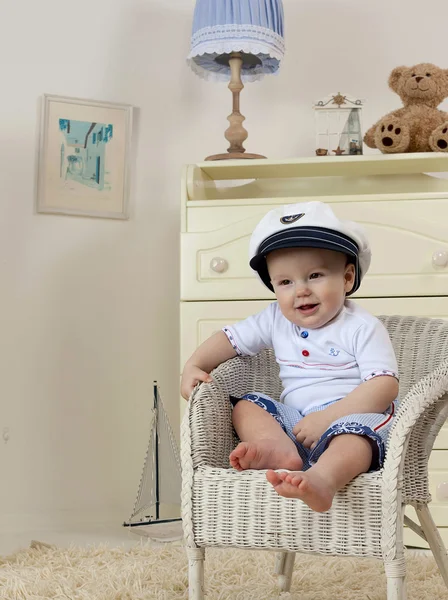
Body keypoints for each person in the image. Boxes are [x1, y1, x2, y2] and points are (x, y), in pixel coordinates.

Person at [180, 201, 399, 513]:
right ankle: (279, 451)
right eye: (285, 282)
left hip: (351, 415)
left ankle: (323, 480)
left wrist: (329, 418)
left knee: (355, 439)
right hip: (295, 424)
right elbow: (230, 339)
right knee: (245, 405)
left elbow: (383, 387)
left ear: (347, 278)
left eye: (314, 275)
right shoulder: (274, 319)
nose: (301, 290)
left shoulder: (361, 327)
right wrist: (195, 364)